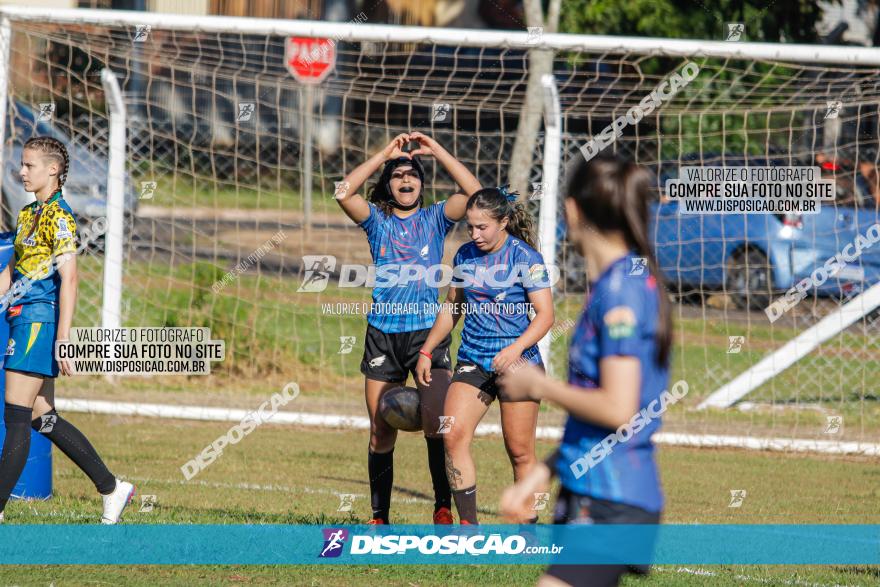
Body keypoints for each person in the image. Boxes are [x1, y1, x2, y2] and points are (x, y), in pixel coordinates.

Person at [498, 154, 674, 587]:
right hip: (594, 488)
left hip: (613, 496)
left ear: (572, 210)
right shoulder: (615, 284)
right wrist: (545, 470)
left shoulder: (620, 292)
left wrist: (538, 383)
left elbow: (617, 408)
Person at [335, 131, 480, 524]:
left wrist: (436, 151)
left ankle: (442, 506)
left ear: (421, 182)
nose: (406, 178)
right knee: (380, 432)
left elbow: (476, 194)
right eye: (397, 173)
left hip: (426, 336)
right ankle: (379, 516)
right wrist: (383, 154)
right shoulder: (377, 221)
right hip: (382, 334)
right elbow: (344, 193)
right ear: (388, 182)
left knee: (437, 425)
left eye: (413, 173)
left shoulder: (435, 218)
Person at [0, 136, 134, 524]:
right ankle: (112, 488)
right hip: (20, 317)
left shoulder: (60, 217)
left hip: (37, 322)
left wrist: (63, 339)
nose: (21, 171)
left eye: (29, 166)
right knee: (44, 418)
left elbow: (70, 280)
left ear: (53, 170)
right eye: (22, 165)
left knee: (16, 419)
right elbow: (10, 275)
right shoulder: (28, 215)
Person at [415, 186, 554, 525]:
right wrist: (426, 349)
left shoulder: (527, 259)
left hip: (519, 365)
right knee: (453, 435)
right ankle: (468, 529)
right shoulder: (463, 256)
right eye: (470, 226)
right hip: (473, 360)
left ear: (503, 222)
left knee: (520, 453)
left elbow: (546, 316)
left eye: (482, 227)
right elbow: (452, 307)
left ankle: (528, 531)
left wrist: (515, 348)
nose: (474, 234)